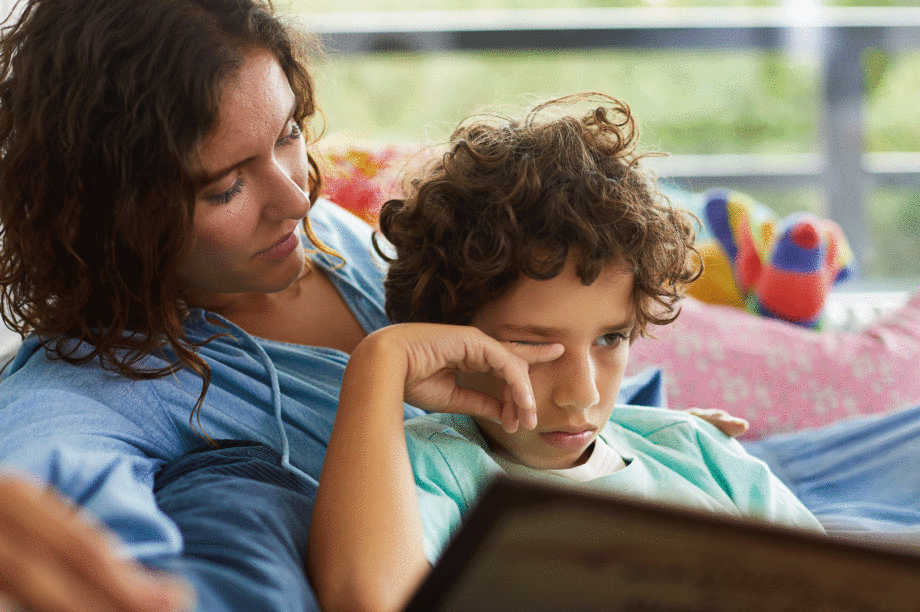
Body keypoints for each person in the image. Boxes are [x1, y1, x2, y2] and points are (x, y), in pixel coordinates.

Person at [306, 94, 824, 612]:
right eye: (533, 346)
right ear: (450, 339)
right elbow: (370, 600)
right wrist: (383, 359)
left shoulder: (697, 453)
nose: (583, 393)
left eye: (610, 339)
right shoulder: (434, 470)